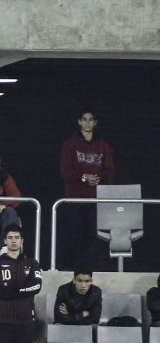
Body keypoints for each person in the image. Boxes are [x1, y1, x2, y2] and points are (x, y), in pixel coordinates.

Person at [59, 107, 114, 268]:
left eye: (90, 119)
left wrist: (98, 178)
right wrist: (84, 177)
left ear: (95, 122)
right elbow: (65, 170)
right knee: (75, 233)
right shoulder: (70, 144)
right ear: (79, 122)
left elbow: (110, 170)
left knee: (93, 234)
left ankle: (90, 267)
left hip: (96, 197)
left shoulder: (102, 145)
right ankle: (73, 267)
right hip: (75, 197)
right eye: (84, 119)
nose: (87, 122)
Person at [0, 225, 41, 343]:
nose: (13, 241)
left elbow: (37, 286)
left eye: (17, 237)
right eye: (10, 237)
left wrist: (12, 288)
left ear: (22, 240)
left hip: (25, 320)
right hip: (2, 320)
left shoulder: (32, 263)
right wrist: (23, 287)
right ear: (5, 240)